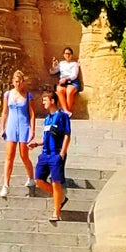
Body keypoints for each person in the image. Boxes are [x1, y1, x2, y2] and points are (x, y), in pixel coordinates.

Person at [33, 92, 72, 224]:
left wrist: (62, 153)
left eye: (45, 100)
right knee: (38, 180)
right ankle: (61, 197)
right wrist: (37, 143)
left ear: (53, 101)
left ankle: (56, 211)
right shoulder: (47, 119)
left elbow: (67, 134)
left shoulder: (62, 116)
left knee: (56, 182)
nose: (43, 103)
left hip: (56, 154)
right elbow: (47, 137)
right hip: (45, 154)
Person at [1, 71, 35, 197]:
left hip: (23, 125)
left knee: (23, 155)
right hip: (11, 125)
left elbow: (31, 114)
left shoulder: (28, 95)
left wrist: (32, 130)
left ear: (22, 81)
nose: (18, 84)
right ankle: (6, 184)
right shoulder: (8, 94)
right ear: (13, 82)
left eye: (20, 81)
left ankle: (31, 177)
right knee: (9, 156)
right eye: (16, 81)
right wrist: (2, 127)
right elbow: (5, 112)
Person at [55, 49, 83, 117]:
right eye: (66, 53)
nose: (67, 55)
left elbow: (74, 75)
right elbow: (52, 72)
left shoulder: (74, 64)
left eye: (69, 54)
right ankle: (66, 111)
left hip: (72, 82)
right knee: (59, 90)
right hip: (63, 83)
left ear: (72, 55)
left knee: (69, 91)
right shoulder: (61, 64)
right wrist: (54, 66)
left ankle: (67, 112)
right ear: (63, 55)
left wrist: (66, 79)